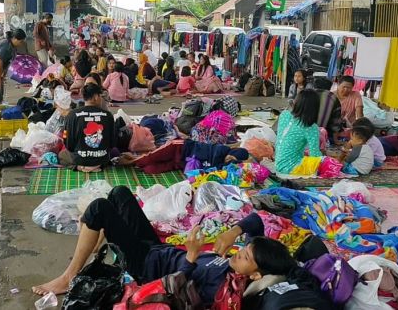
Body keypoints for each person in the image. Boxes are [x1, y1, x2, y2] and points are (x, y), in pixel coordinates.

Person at [32, 187, 296, 307]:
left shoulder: (223, 288)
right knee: (120, 193)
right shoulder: (246, 260)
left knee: (98, 209)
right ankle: (97, 245)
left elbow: (176, 291)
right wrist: (232, 232)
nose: (239, 252)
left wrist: (191, 257)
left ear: (256, 275)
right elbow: (255, 222)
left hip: (147, 268)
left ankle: (69, 277)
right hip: (156, 249)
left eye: (245, 256)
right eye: (243, 249)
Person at [59, 83, 115, 171]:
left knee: (62, 155)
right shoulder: (108, 115)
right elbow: (112, 142)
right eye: (100, 96)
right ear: (96, 97)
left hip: (80, 159)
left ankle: (80, 167)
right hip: (102, 159)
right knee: (114, 153)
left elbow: (67, 142)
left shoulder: (72, 115)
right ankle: (97, 165)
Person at [274, 90, 323, 175]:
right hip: (292, 168)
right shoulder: (310, 127)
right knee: (326, 162)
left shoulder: (284, 114)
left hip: (278, 163)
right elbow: (315, 156)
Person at [313, 77, 344, 145]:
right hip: (322, 136)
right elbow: (336, 123)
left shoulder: (304, 94)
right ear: (329, 87)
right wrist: (336, 141)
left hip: (301, 133)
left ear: (314, 86)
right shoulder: (333, 97)